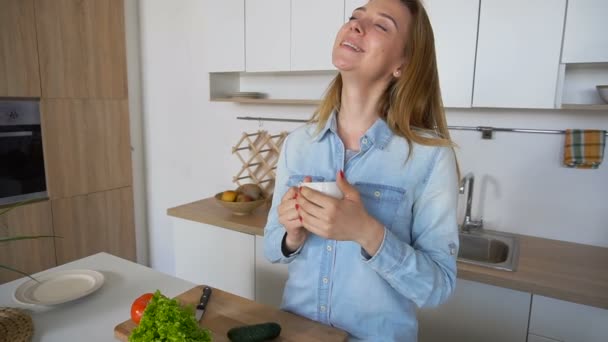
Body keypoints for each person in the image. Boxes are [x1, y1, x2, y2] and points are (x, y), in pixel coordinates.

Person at [264, 0, 459, 340]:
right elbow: (271, 246)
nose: (355, 25)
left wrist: (366, 231)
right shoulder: (298, 144)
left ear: (403, 63)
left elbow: (438, 286)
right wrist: (291, 236)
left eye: (381, 25)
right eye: (355, 17)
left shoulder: (429, 156)